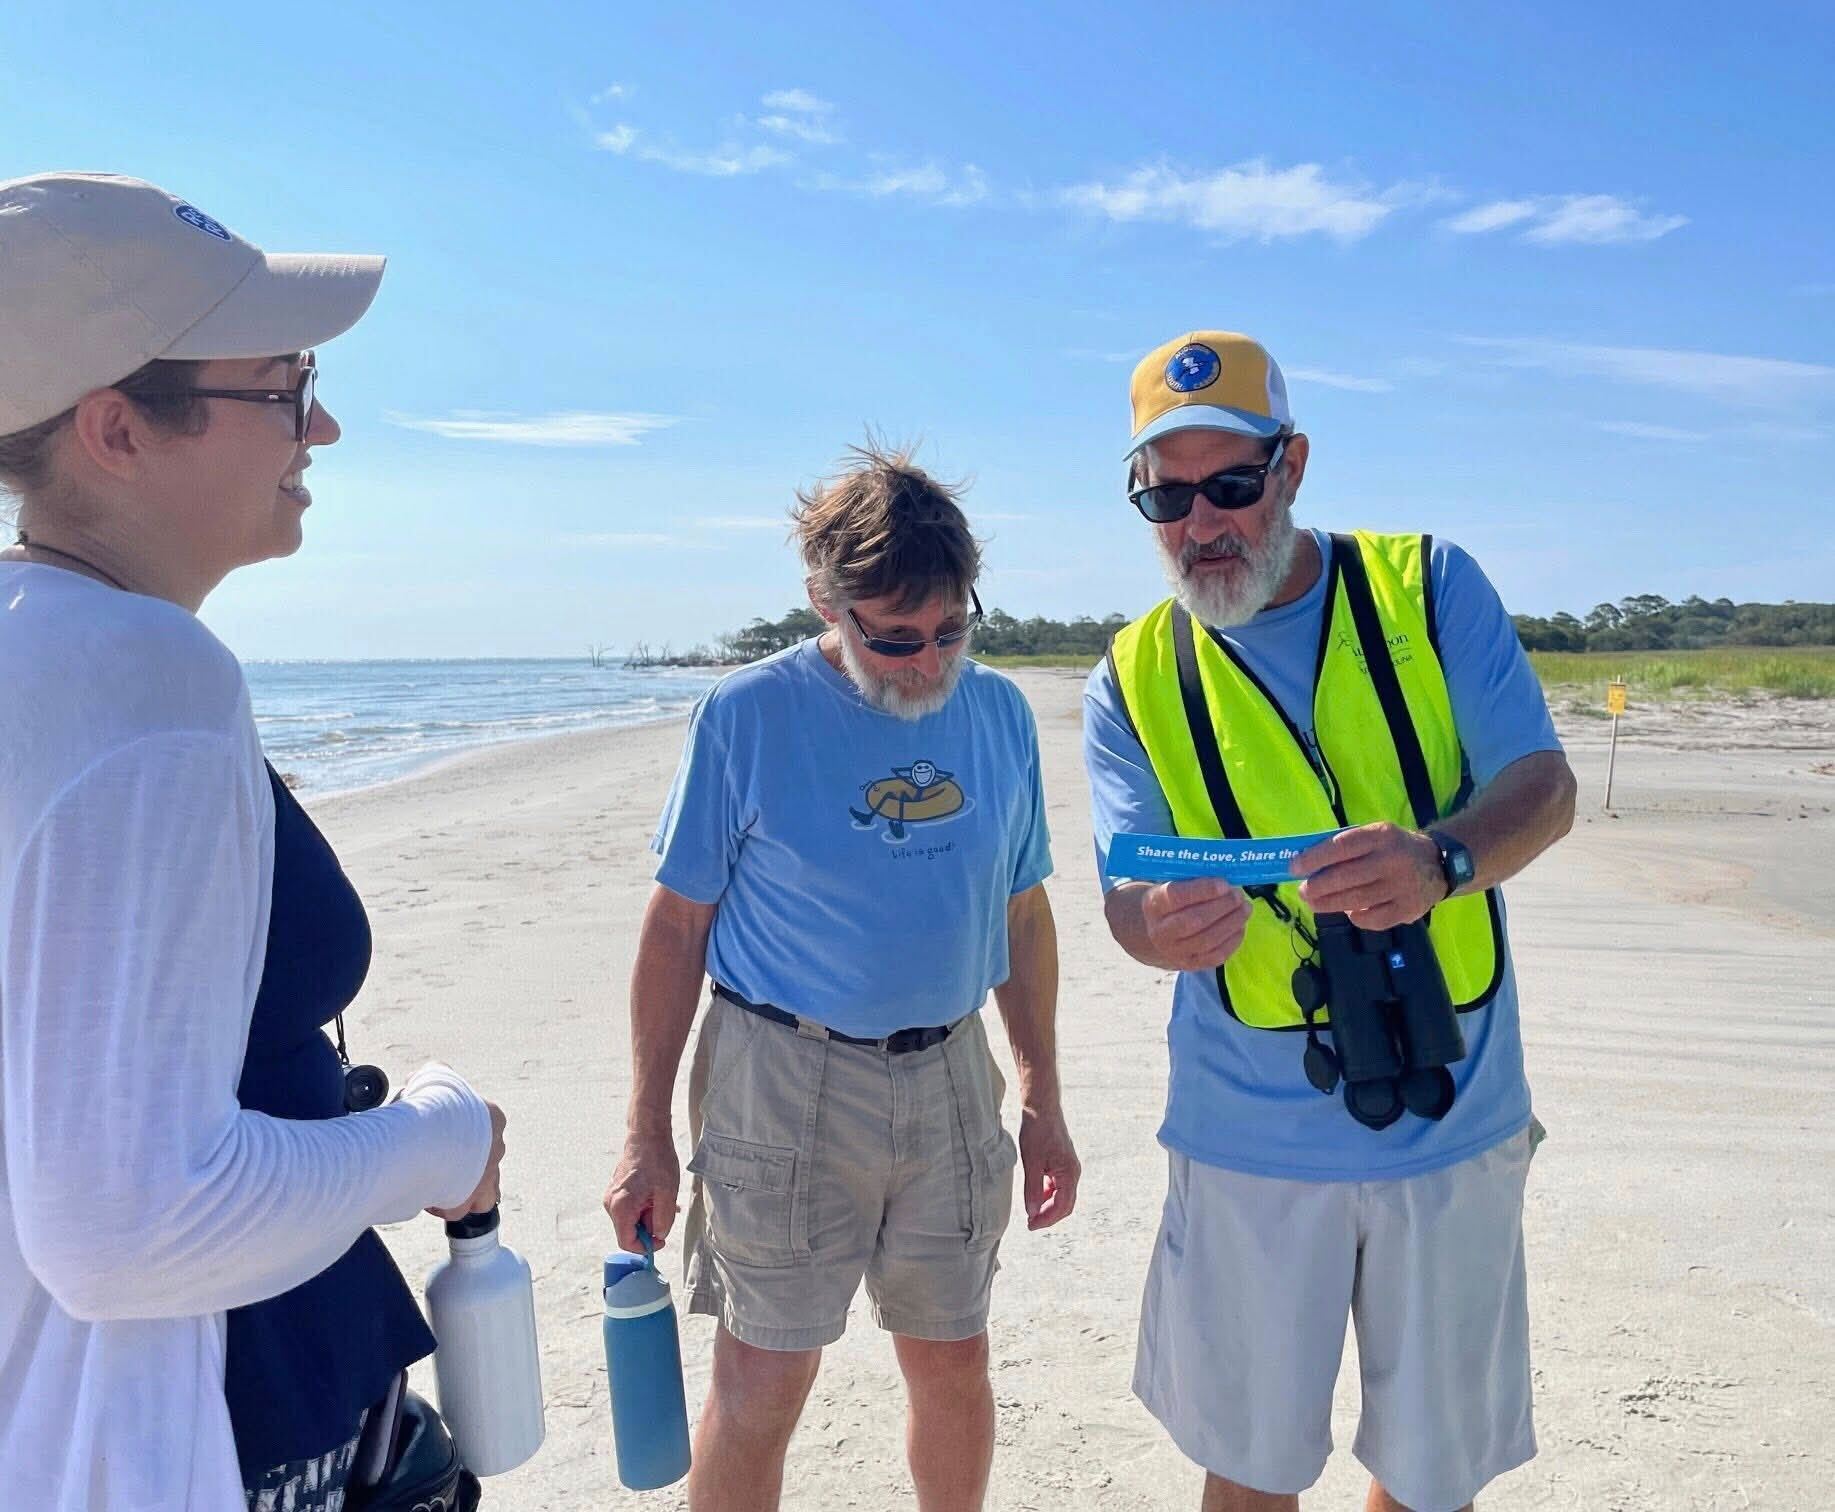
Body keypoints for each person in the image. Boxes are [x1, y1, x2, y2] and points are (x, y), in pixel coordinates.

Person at [0, 172, 506, 1512]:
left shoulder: (33, 653)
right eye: (282, 385)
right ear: (115, 428)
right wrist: (435, 1145)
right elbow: (125, 1227)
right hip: (145, 1439)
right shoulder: (139, 681)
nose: (321, 423)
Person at [1083, 330, 1577, 1512]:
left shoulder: (1429, 584)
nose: (1199, 522)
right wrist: (1157, 927)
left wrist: (1442, 857)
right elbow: (1121, 903)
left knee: (1429, 1472)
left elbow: (1543, 790)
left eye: (1230, 485)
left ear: (1291, 464)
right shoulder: (1130, 673)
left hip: (1450, 1119)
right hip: (1244, 1139)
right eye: (1164, 494)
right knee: (1247, 1469)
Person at [603, 442, 1080, 1512]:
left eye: (949, 631)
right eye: (894, 638)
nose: (924, 662)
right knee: (763, 1376)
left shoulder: (998, 714)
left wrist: (1041, 1093)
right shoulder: (745, 714)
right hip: (781, 1078)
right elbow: (677, 929)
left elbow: (1023, 909)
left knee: (953, 1363)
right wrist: (645, 1133)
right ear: (825, 601)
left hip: (953, 1077)